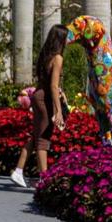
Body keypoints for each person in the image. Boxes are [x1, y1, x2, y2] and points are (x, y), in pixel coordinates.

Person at [10, 24, 69, 190]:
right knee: (43, 139)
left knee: (36, 136)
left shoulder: (45, 55)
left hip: (37, 95)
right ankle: (45, 179)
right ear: (61, 39)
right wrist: (58, 111)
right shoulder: (57, 58)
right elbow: (53, 85)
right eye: (66, 38)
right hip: (45, 99)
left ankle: (18, 170)